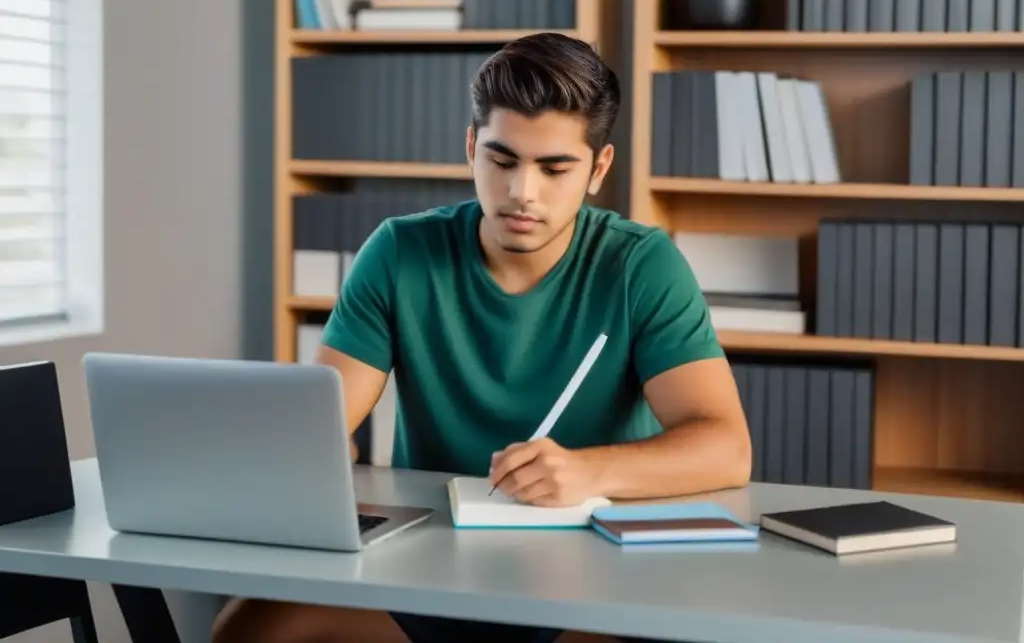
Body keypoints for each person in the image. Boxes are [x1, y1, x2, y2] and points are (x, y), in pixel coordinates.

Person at [211, 32, 752, 643]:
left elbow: (726, 448)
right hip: (425, 569)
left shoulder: (640, 265)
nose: (523, 192)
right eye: (501, 160)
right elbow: (324, 422)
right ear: (471, 148)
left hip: (590, 578)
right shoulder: (400, 251)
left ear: (598, 169)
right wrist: (321, 450)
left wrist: (587, 471)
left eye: (555, 168)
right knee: (251, 630)